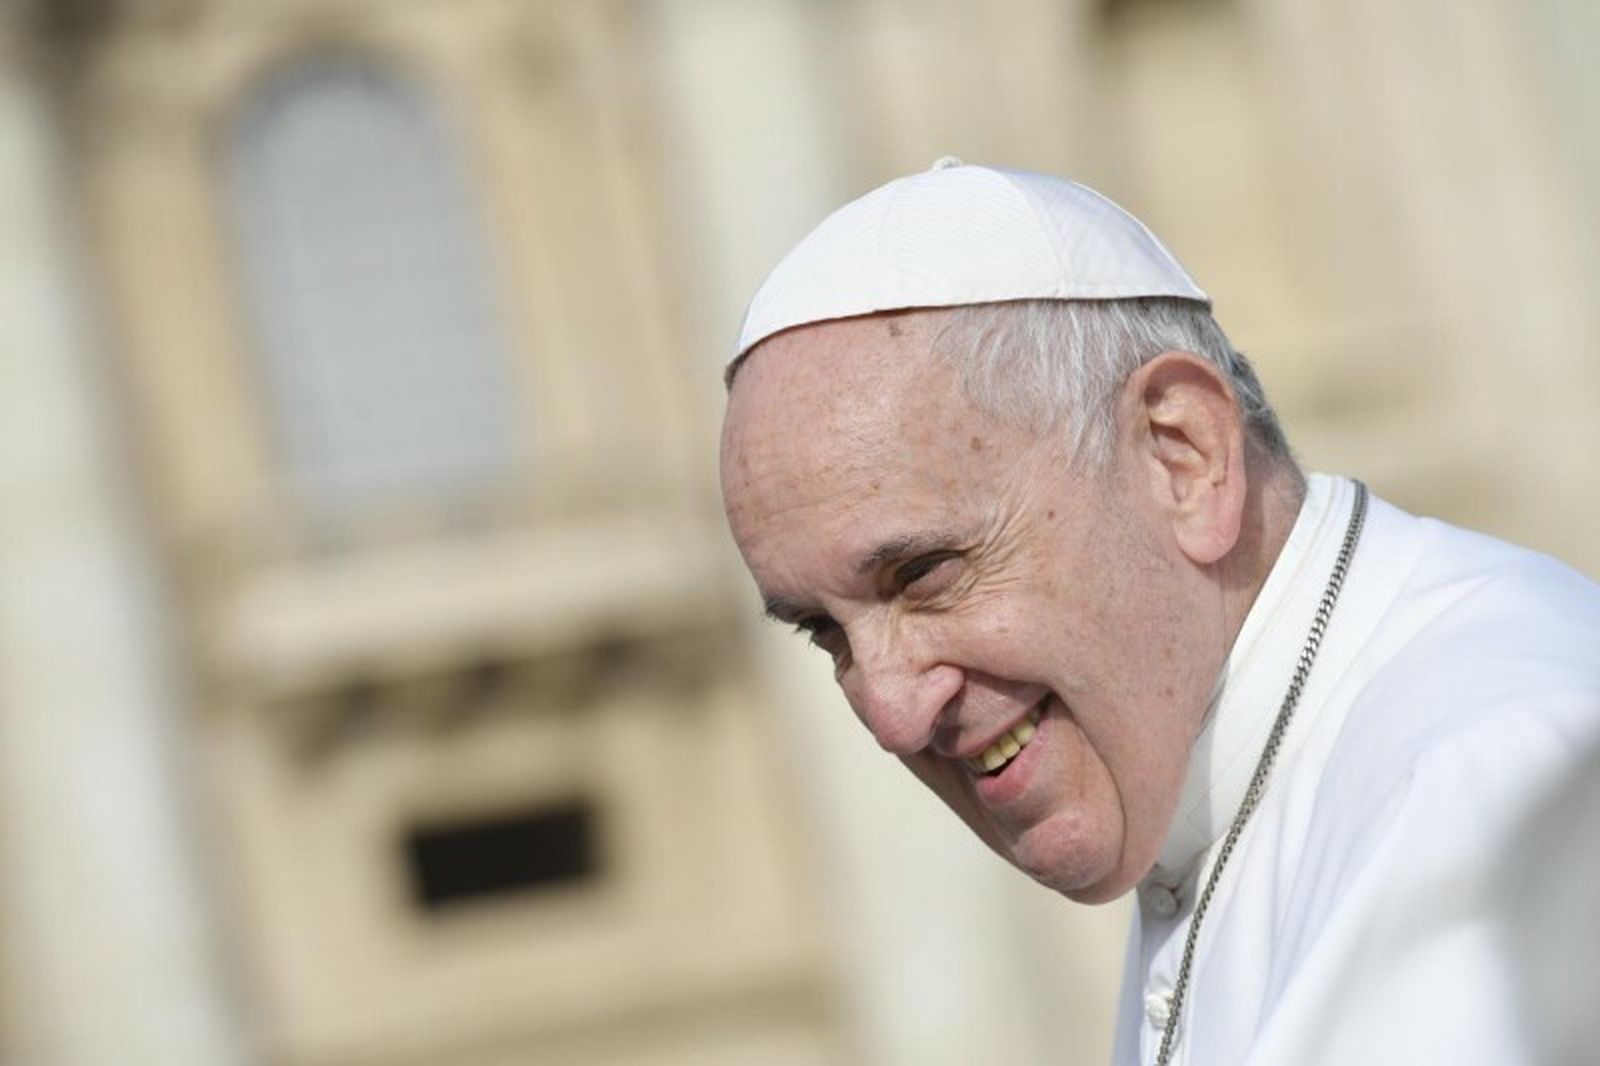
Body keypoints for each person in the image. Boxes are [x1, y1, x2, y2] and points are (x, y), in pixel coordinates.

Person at [717, 158, 1600, 1065]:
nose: (894, 717)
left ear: (1183, 455)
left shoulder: (1494, 779)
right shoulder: (1202, 784)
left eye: (926, 574)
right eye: (826, 633)